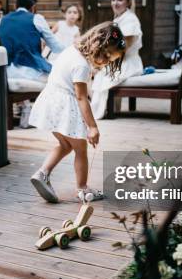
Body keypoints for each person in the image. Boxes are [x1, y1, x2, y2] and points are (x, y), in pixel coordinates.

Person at [28, 21, 126, 203]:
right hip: (64, 106)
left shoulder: (71, 51)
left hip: (50, 103)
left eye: (109, 61)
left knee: (65, 145)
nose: (104, 62)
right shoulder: (81, 65)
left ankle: (42, 173)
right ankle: (82, 189)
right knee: (81, 149)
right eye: (105, 56)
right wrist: (92, 127)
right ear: (98, 45)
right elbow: (81, 98)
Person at [0, 0, 67, 127]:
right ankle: (50, 116)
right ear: (33, 6)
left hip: (7, 72)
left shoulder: (3, 20)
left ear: (15, 5)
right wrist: (72, 47)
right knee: (61, 77)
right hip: (30, 72)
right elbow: (56, 47)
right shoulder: (36, 18)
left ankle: (26, 109)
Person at [90, 0, 144, 119]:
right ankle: (109, 108)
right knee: (91, 70)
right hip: (120, 60)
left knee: (97, 73)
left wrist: (102, 64)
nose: (115, 3)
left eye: (119, 0)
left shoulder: (130, 20)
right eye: (113, 0)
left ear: (128, 2)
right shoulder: (119, 19)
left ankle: (98, 110)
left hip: (128, 63)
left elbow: (123, 48)